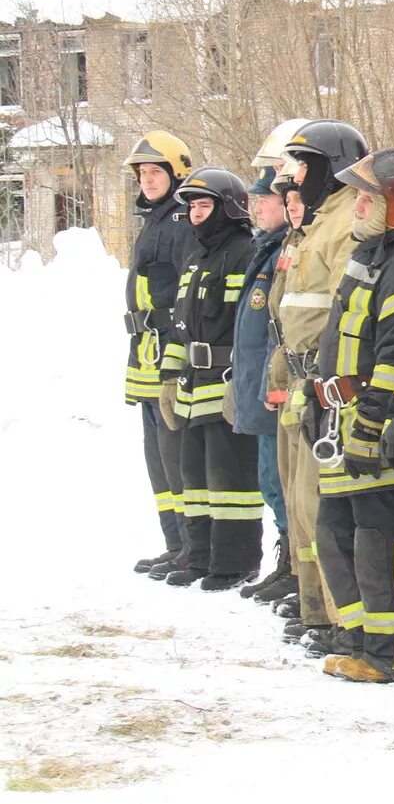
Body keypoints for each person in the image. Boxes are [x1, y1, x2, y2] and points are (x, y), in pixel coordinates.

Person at [311, 149, 394, 683]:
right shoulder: (370, 255)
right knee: (338, 533)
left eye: (367, 196)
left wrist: (371, 422)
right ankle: (358, 636)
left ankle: (392, 653)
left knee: (383, 540)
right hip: (340, 419)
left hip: (376, 426)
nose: (357, 205)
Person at [267, 119, 369, 646]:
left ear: (329, 168)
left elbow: (343, 313)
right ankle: (316, 608)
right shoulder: (315, 224)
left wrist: (327, 381)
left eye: (304, 165)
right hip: (303, 383)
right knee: (302, 506)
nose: (296, 176)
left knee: (322, 507)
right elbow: (291, 314)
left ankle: (340, 617)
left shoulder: (343, 222)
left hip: (330, 387)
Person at [157, 167, 264, 590]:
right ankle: (199, 554)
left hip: (225, 386)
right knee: (195, 480)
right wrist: (168, 376)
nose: (197, 214)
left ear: (229, 208)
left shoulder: (245, 252)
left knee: (231, 480)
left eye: (204, 205)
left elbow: (248, 325)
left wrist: (243, 382)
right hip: (190, 388)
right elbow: (178, 324)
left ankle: (234, 561)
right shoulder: (195, 258)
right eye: (193, 207)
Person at [123, 131, 198, 578]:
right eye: (142, 173)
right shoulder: (154, 218)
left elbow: (185, 290)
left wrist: (175, 347)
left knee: (176, 452)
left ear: (176, 173)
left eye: (155, 172)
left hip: (168, 351)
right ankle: (175, 542)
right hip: (145, 353)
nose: (147, 180)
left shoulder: (181, 220)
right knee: (157, 455)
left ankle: (192, 543)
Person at [233, 141, 303, 604]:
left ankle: (296, 568)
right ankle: (288, 562)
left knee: (285, 488)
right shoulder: (264, 250)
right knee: (270, 483)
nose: (257, 207)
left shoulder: (286, 249)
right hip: (261, 387)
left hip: (278, 388)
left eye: (266, 199)